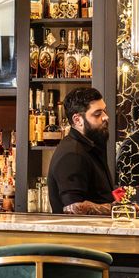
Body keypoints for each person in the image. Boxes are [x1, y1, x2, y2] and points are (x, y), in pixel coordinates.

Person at [47, 86, 113, 216]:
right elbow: (73, 207)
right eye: (97, 114)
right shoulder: (72, 154)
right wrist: (116, 209)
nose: (106, 117)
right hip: (81, 236)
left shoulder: (89, 146)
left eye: (104, 111)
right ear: (77, 120)